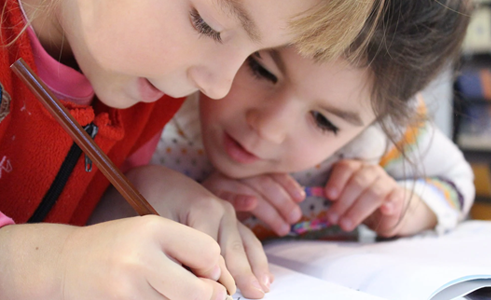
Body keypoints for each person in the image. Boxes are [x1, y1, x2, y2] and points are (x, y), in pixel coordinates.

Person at [0, 0, 383, 299]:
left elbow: (62, 214)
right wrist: (57, 268)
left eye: (251, 56)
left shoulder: (147, 89)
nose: (218, 86)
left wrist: (131, 202)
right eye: (208, 24)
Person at [150, 0, 475, 241]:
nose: (268, 128)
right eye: (260, 70)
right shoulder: (160, 98)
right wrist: (174, 201)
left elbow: (457, 182)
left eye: (324, 121)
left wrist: (404, 208)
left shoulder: (378, 139)